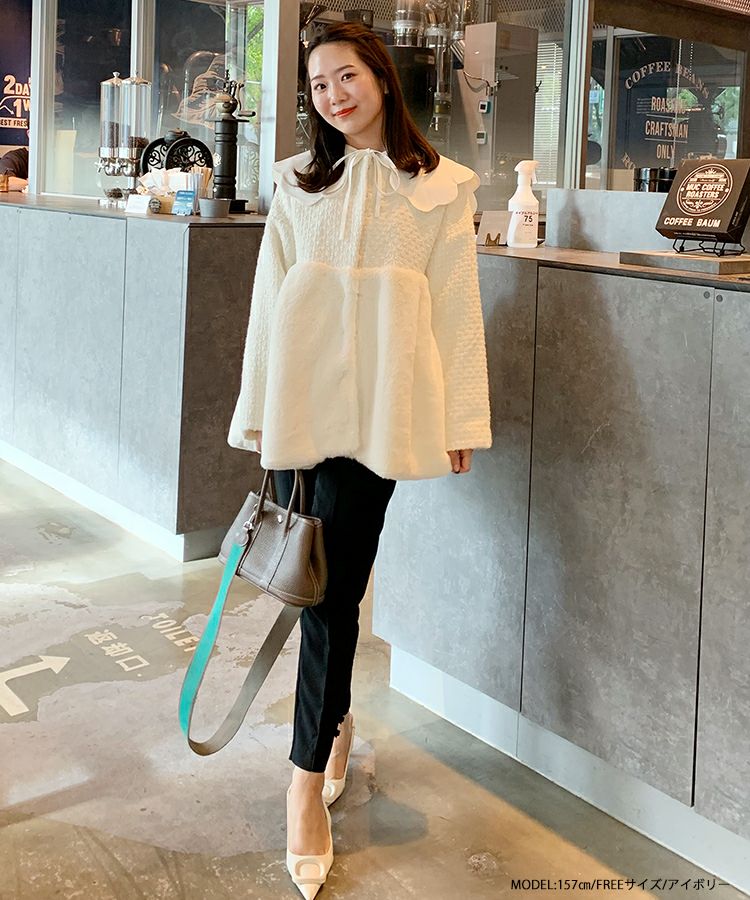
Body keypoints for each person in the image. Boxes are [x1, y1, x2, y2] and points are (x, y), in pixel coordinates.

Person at [227, 21, 492, 899]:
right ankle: (318, 755)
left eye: (346, 76)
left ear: (380, 77)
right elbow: (268, 301)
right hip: (302, 406)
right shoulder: (296, 184)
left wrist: (460, 416)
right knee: (323, 593)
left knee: (338, 587)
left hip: (383, 413)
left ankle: (316, 753)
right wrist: (256, 409)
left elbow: (456, 309)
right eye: (318, 84)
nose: (333, 96)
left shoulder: (444, 188)